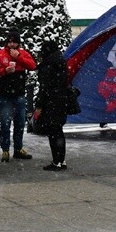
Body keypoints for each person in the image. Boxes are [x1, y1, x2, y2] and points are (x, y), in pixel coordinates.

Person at [0, 30, 37, 162]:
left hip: (19, 94)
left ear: (18, 42)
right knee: (5, 123)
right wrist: (4, 71)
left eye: (14, 41)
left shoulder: (22, 53)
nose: (12, 44)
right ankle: (5, 150)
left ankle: (18, 148)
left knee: (20, 123)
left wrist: (18, 57)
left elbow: (33, 66)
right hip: (5, 94)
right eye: (10, 41)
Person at [35, 40, 70, 171]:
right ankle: (62, 160)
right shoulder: (61, 63)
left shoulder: (47, 66)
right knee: (59, 131)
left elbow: (44, 88)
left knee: (53, 132)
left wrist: (39, 105)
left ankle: (56, 161)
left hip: (50, 103)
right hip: (61, 101)